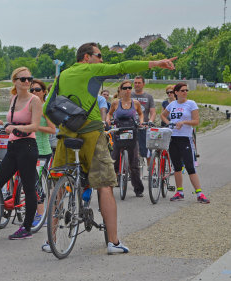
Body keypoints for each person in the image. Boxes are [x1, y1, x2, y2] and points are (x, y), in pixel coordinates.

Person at [43, 42, 176, 254]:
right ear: (87, 57)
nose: (102, 60)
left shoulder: (62, 76)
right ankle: (113, 242)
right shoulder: (91, 69)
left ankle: (50, 239)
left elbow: (45, 106)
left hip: (66, 133)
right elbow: (123, 66)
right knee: (104, 185)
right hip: (92, 133)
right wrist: (156, 63)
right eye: (99, 56)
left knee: (59, 180)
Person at [0, 67, 42, 240]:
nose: (27, 82)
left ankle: (26, 227)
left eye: (29, 78)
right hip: (12, 146)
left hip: (28, 146)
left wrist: (15, 128)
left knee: (28, 187)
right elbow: (10, 122)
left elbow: (35, 126)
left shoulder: (34, 100)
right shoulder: (13, 99)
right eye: (23, 79)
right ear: (15, 81)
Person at [160, 83, 209, 204]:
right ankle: (179, 192)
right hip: (173, 138)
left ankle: (199, 193)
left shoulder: (191, 103)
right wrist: (168, 123)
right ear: (176, 92)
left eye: (186, 90)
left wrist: (184, 122)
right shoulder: (172, 104)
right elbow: (162, 115)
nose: (185, 92)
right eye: (182, 90)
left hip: (185, 138)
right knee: (177, 167)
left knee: (190, 166)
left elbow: (196, 121)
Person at [107, 81, 145, 197]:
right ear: (121, 90)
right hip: (119, 132)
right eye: (125, 88)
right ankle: (109, 188)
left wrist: (141, 122)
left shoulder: (136, 103)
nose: (128, 90)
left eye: (130, 88)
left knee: (134, 163)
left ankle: (138, 189)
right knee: (114, 161)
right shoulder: (115, 103)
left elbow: (141, 114)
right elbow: (109, 114)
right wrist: (108, 120)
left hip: (131, 131)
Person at [29, 79, 56, 228]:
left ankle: (41, 215)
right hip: (28, 149)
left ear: (44, 92)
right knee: (28, 183)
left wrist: (36, 127)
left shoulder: (46, 108)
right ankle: (34, 212)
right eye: (32, 90)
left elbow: (52, 129)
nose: (34, 93)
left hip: (43, 150)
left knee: (36, 183)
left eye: (37, 90)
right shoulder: (30, 106)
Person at [131, 76, 155, 164]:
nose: (137, 85)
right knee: (130, 151)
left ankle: (151, 172)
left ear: (143, 84)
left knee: (147, 152)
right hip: (131, 126)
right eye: (135, 83)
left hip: (144, 127)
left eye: (139, 83)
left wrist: (150, 121)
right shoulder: (129, 95)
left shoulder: (148, 97)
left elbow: (152, 112)